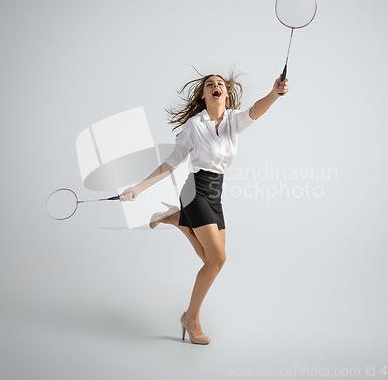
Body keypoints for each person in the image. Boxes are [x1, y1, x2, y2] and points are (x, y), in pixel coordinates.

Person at [119, 68, 289, 344]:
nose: (215, 86)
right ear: (204, 94)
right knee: (217, 259)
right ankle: (191, 317)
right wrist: (138, 188)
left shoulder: (235, 120)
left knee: (211, 260)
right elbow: (172, 162)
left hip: (215, 194)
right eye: (210, 84)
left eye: (220, 84)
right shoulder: (194, 125)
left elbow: (256, 111)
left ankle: (177, 220)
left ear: (226, 93)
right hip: (195, 190)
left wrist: (274, 93)